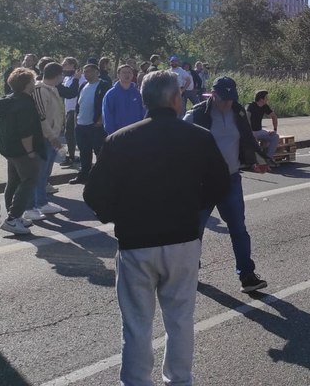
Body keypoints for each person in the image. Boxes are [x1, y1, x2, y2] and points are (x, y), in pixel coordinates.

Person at [84, 70, 230, 386]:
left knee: (136, 323)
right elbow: (220, 184)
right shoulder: (198, 137)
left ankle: (135, 381)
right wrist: (194, 207)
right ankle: (179, 379)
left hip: (135, 242)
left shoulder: (120, 139)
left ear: (143, 100)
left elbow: (94, 194)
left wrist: (116, 216)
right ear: (176, 99)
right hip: (183, 239)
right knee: (180, 319)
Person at [186, 77, 267, 293]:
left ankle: (247, 276)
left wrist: (257, 160)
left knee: (239, 229)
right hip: (203, 183)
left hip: (231, 179)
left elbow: (247, 138)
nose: (227, 104)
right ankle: (189, 271)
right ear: (214, 95)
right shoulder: (197, 114)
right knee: (195, 231)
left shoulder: (238, 112)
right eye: (224, 99)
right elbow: (179, 140)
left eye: (231, 99)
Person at [0, 67, 46, 235]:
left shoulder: (7, 101)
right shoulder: (25, 104)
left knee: (14, 181)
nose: (34, 83)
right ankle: (13, 218)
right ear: (26, 83)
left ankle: (14, 216)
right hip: (22, 150)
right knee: (29, 180)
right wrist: (30, 152)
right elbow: (26, 131)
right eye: (32, 80)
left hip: (8, 148)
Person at [29, 62, 68, 218]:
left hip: (53, 135)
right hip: (45, 137)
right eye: (62, 74)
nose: (63, 77)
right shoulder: (39, 90)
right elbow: (41, 117)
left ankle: (42, 201)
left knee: (45, 172)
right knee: (40, 172)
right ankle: (37, 204)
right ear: (57, 75)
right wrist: (52, 137)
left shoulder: (53, 89)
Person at [69, 63, 110, 185]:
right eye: (85, 71)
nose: (86, 74)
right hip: (81, 125)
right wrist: (76, 120)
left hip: (95, 126)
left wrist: (101, 119)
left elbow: (107, 104)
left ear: (97, 72)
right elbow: (78, 104)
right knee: (84, 152)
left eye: (89, 71)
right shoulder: (83, 85)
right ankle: (84, 175)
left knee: (99, 152)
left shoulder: (104, 85)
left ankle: (102, 177)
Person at [102, 64, 146, 136]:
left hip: (137, 133)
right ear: (118, 75)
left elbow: (143, 112)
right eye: (124, 72)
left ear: (133, 75)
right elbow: (107, 115)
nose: (127, 75)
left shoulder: (138, 93)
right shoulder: (111, 94)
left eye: (129, 72)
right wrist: (112, 133)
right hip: (118, 133)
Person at [59, 57, 81, 167]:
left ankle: (75, 156)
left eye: (65, 64)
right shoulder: (67, 78)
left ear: (73, 65)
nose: (63, 66)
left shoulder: (80, 77)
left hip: (75, 110)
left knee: (73, 134)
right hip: (68, 109)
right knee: (68, 134)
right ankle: (71, 156)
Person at [246, 90, 279, 156]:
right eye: (266, 97)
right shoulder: (250, 106)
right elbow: (246, 119)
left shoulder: (264, 106)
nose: (268, 99)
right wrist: (250, 133)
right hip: (249, 132)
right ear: (261, 99)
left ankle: (268, 158)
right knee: (253, 143)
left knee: (275, 136)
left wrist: (274, 130)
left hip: (259, 131)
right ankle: (256, 160)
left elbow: (274, 116)